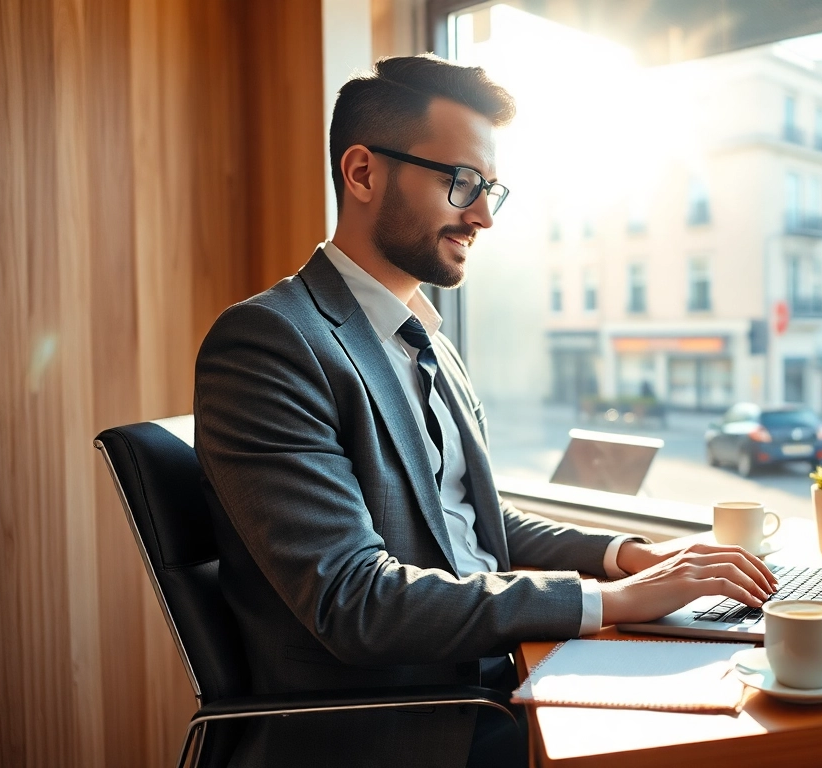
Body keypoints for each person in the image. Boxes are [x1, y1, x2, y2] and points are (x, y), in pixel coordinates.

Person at [193, 54, 777, 768]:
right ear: (364, 172)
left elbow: (476, 521)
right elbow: (354, 600)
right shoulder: (271, 342)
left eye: (491, 188)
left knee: (741, 709)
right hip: (412, 723)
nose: (483, 216)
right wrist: (612, 602)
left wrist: (628, 557)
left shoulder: (423, 334)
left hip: (498, 677)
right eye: (463, 183)